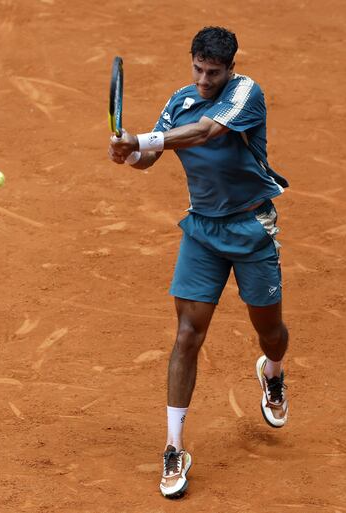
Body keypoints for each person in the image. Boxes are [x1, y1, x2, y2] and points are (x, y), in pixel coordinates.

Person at [108, 26, 291, 499]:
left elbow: (206, 132)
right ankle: (173, 447)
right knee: (188, 335)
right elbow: (150, 158)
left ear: (230, 67)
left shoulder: (246, 93)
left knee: (270, 331)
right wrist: (129, 153)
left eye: (213, 73)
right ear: (191, 62)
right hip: (203, 233)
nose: (204, 80)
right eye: (198, 70)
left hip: (251, 229)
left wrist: (146, 138)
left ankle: (271, 371)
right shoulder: (181, 98)